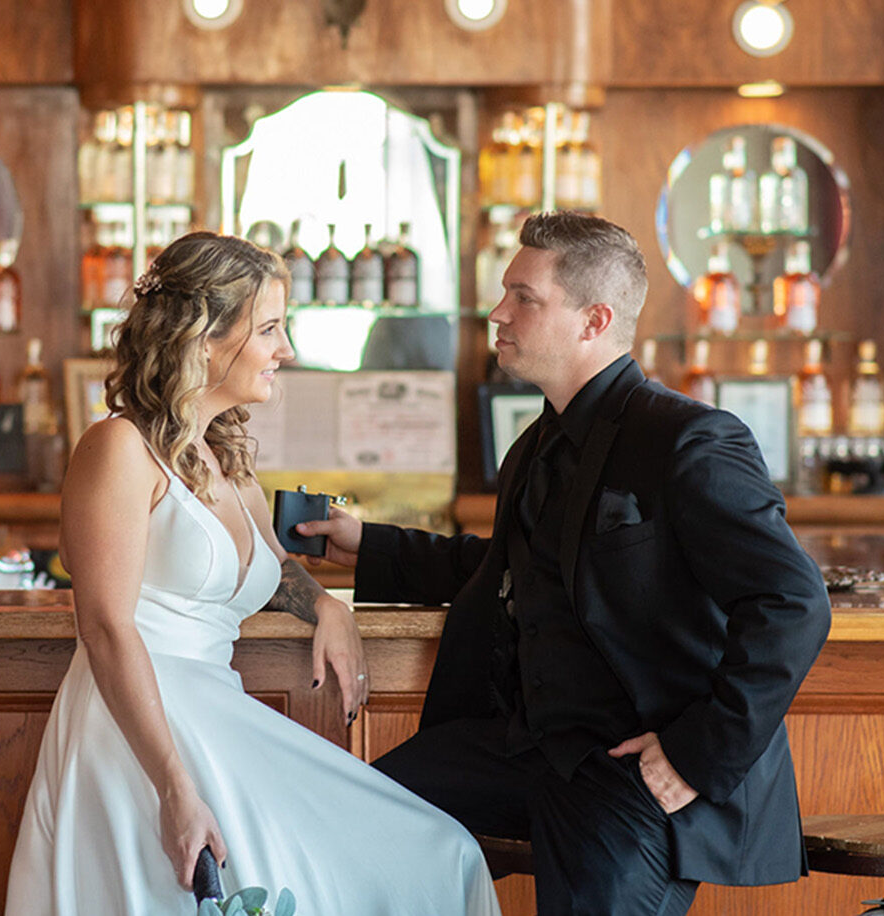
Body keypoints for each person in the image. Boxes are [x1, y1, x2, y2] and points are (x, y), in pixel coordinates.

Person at [299, 212, 831, 916]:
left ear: (594, 320)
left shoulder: (689, 439)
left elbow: (794, 604)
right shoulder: (535, 443)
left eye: (525, 297)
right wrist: (373, 545)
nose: (498, 313)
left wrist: (695, 755)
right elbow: (507, 569)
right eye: (504, 294)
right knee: (349, 813)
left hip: (632, 768)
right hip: (528, 748)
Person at [5, 231, 500, 915]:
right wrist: (174, 787)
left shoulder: (222, 454)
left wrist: (326, 606)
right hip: (140, 737)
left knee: (443, 853)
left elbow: (273, 568)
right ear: (203, 336)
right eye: (268, 328)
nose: (286, 350)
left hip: (218, 714)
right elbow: (107, 628)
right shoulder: (117, 448)